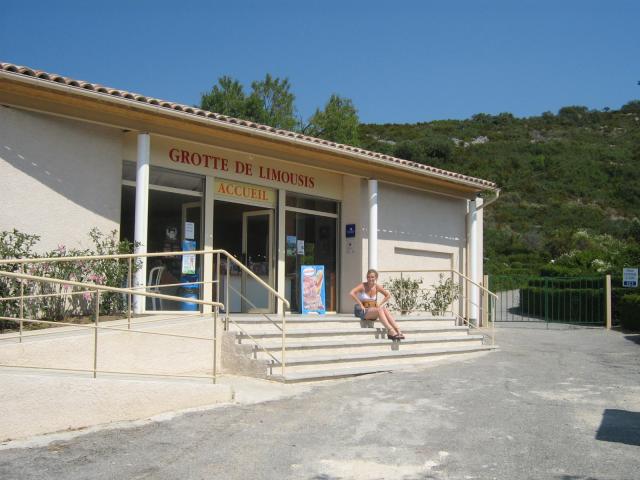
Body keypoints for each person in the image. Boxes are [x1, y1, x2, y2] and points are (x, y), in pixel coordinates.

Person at [350, 269, 405, 340]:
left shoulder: (377, 287)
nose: (370, 279)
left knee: (383, 309)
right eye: (368, 277)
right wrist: (360, 304)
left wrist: (380, 304)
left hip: (372, 310)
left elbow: (387, 295)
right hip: (361, 310)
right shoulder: (362, 285)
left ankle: (398, 330)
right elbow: (351, 293)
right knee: (380, 309)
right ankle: (390, 330)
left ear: (376, 278)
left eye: (372, 277)